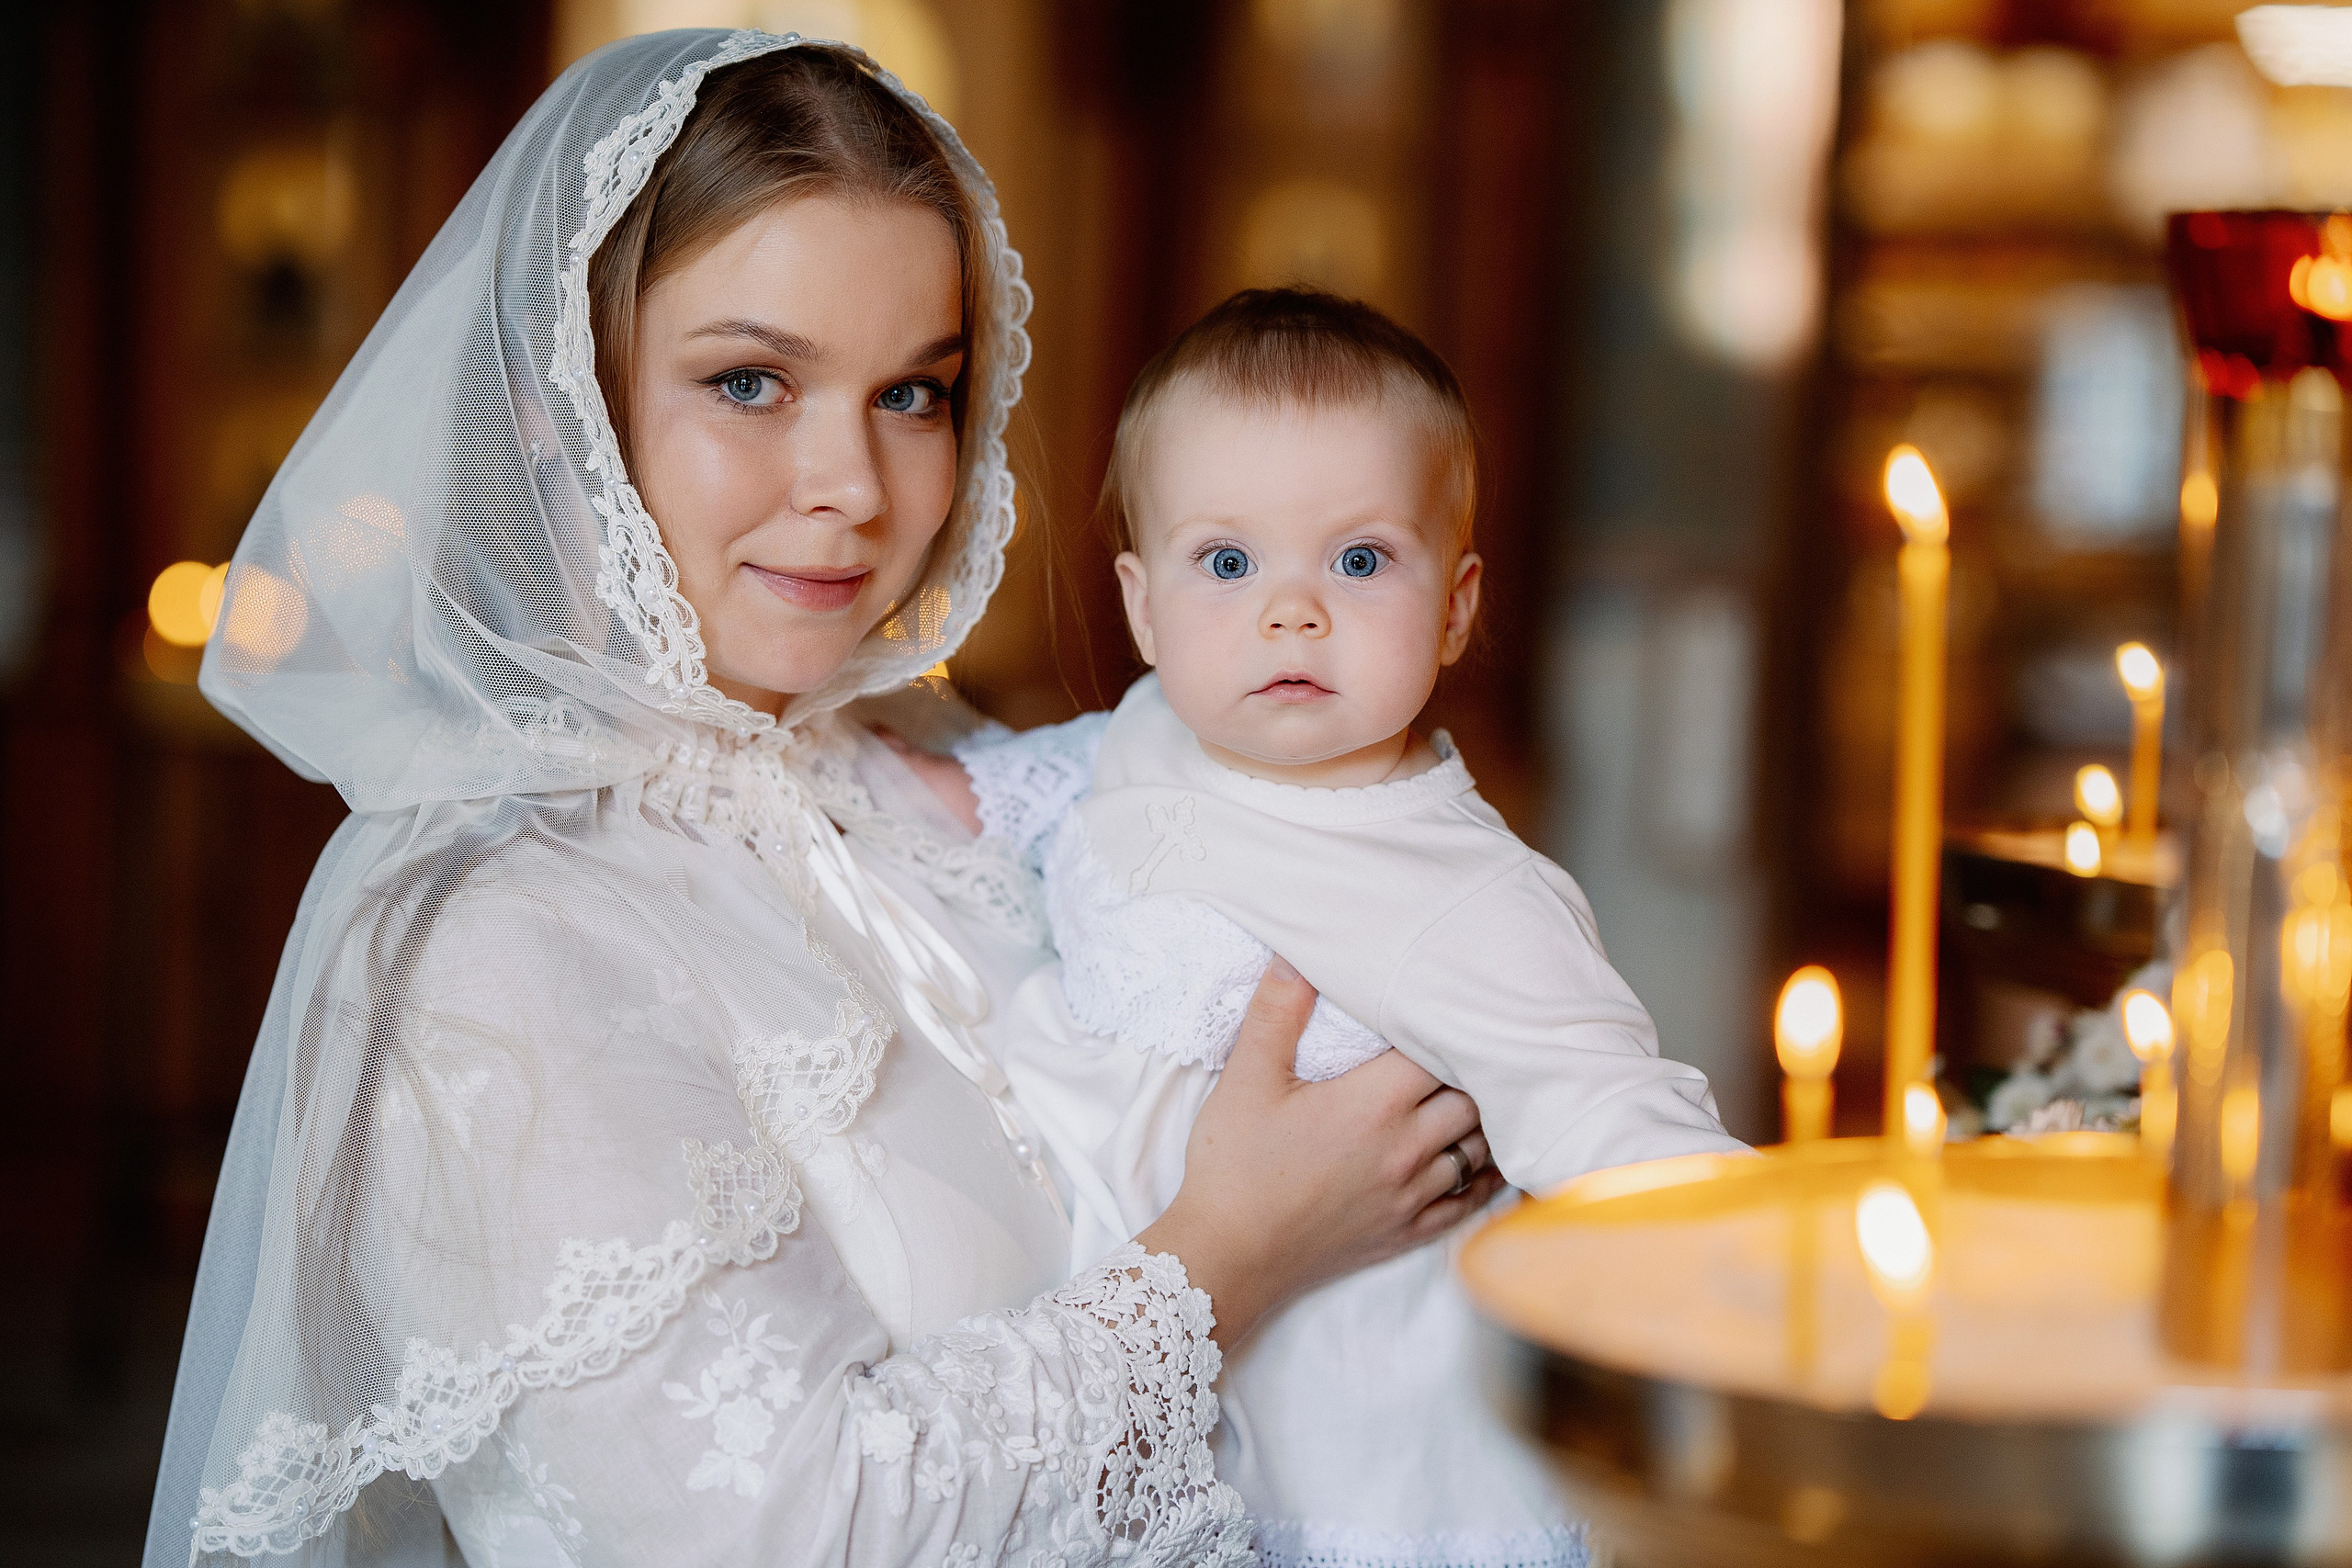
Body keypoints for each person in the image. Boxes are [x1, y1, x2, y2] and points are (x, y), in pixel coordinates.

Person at [144, 35, 1504, 1567]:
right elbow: (790, 1534)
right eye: (751, 382)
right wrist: (1235, 1255)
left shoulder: (933, 797)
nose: (854, 483)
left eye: (913, 394)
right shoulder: (497, 947)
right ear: (560, 411)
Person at [926, 288, 1749, 1567]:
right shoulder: (1146, 733)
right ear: (1145, 610)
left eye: (1359, 561)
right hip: (1129, 1381)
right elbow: (1027, 793)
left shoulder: (1458, 891)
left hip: (1356, 1460)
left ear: (1459, 605)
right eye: (1229, 562)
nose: (1291, 611)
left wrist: (1785, 1281)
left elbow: (1614, 1121)